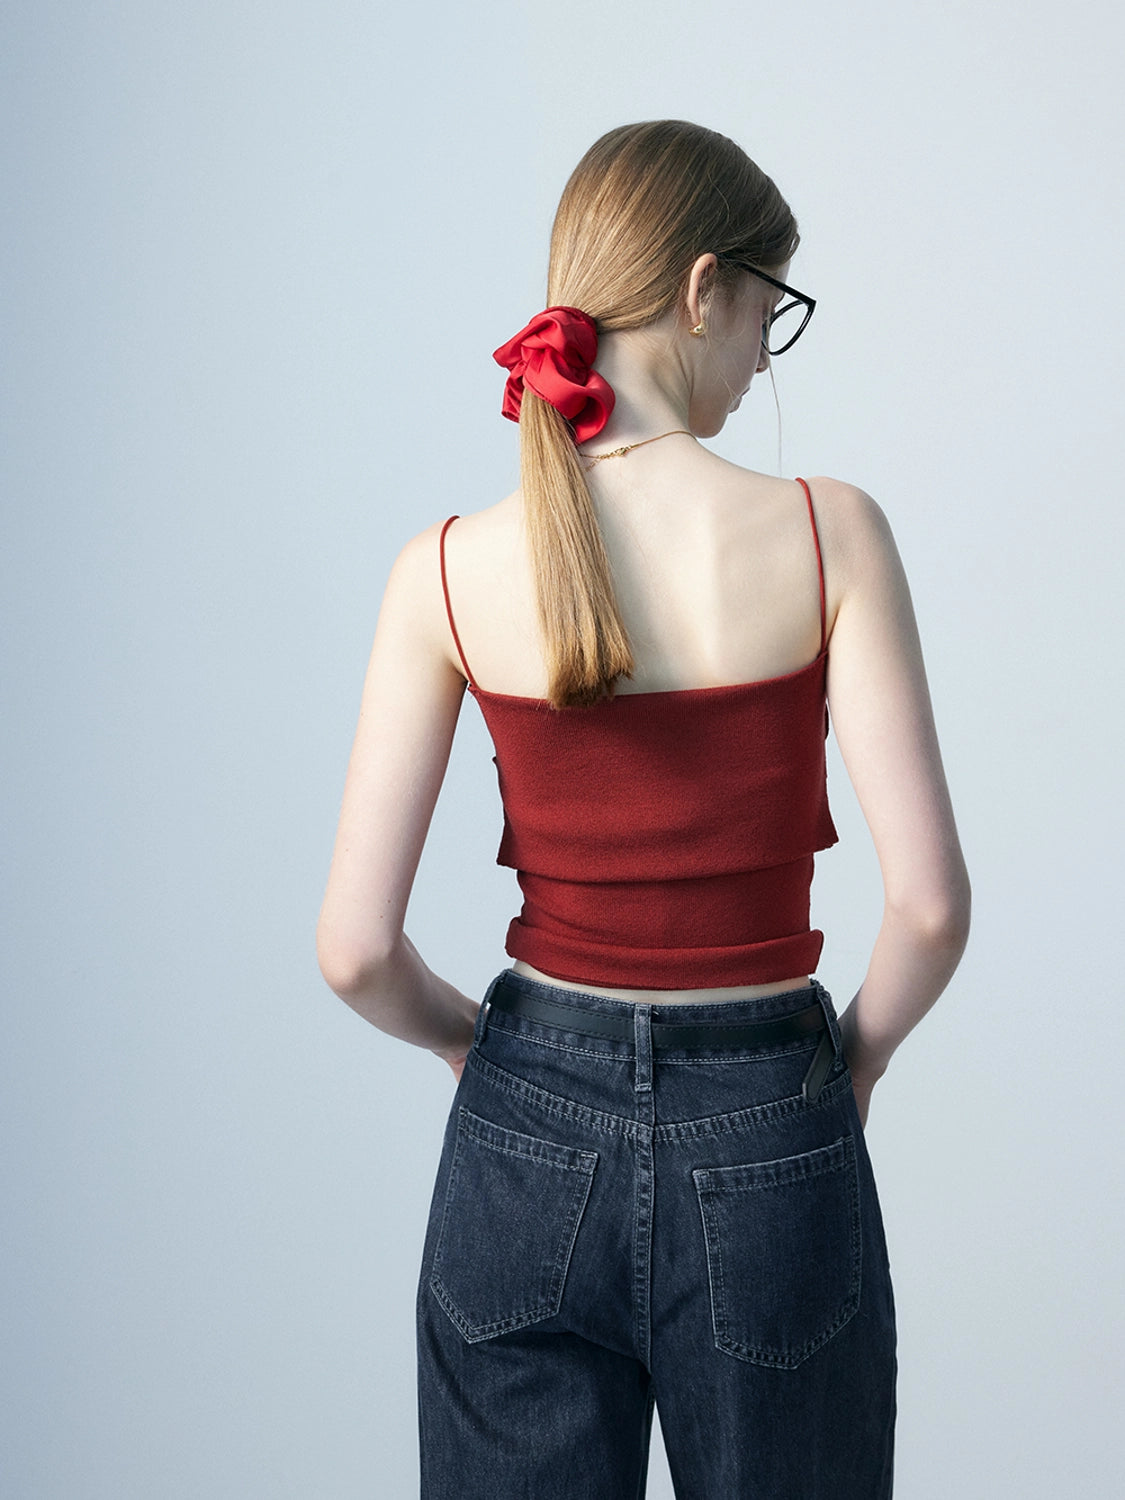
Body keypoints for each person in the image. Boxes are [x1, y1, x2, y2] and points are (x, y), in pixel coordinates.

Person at [316, 120, 970, 1500]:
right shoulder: (830, 533)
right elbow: (926, 909)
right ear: (699, 288)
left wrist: (478, 1050)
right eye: (769, 309)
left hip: (523, 1130)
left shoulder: (443, 570)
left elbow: (354, 951)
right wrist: (847, 1071)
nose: (763, 357)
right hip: (769, 1119)